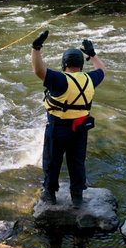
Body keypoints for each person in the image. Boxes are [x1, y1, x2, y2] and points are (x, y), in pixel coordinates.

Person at [31, 30, 106, 207]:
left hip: (58, 128)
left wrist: (36, 48)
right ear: (81, 64)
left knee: (52, 160)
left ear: (64, 64)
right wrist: (93, 55)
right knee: (77, 161)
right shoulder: (90, 79)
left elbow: (38, 70)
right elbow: (102, 70)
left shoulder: (60, 79)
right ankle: (77, 196)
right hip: (80, 129)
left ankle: (50, 194)